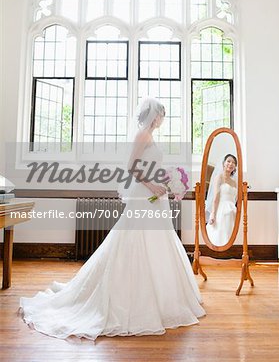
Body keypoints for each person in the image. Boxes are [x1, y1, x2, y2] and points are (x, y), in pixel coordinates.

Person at [19, 97, 205, 341]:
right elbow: (131, 166)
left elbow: (147, 165)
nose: (163, 119)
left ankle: (164, 297)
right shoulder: (142, 135)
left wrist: (167, 181)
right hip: (144, 195)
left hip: (154, 196)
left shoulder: (149, 135)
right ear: (154, 115)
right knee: (133, 239)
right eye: (162, 114)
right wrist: (152, 185)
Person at [206, 154, 238, 246]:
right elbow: (216, 196)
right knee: (219, 236)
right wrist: (213, 214)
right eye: (228, 161)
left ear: (235, 166)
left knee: (230, 235)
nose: (231, 164)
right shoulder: (219, 177)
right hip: (222, 209)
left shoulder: (234, 182)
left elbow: (235, 198)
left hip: (233, 210)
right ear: (224, 163)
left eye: (233, 163)